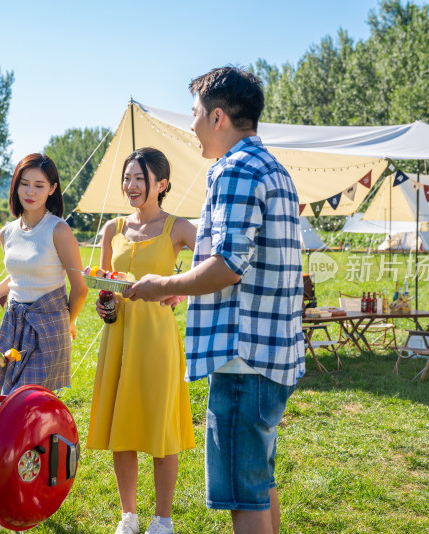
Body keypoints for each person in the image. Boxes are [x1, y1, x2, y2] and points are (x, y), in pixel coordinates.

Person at [124, 67, 305, 534]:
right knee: (259, 483)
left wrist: (163, 285)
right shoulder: (274, 169)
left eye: (195, 113)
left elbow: (229, 264)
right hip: (272, 354)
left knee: (243, 499)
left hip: (242, 357)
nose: (190, 125)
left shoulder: (235, 169)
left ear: (218, 116)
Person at [0, 153, 87, 534]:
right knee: (2, 410)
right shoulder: (8, 231)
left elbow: (80, 287)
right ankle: (3, 499)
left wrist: (65, 326)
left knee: (27, 417)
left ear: (52, 189)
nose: (31, 191)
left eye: (39, 185)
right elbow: (14, 279)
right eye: (25, 184)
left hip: (48, 327)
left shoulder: (59, 230)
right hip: (13, 324)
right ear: (15, 186)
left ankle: (13, 503)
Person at [87, 147, 196, 534]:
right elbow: (105, 281)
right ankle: (128, 516)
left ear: (161, 184)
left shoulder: (178, 228)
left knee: (160, 428)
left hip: (157, 340)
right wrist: (104, 304)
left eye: (139, 179)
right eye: (127, 178)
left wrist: (183, 287)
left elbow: (217, 262)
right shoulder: (113, 229)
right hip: (117, 336)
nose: (130, 186)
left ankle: (163, 520)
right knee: (123, 426)